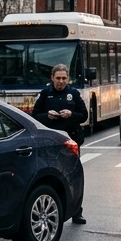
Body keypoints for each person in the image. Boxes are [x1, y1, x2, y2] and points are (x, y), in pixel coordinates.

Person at [31, 64, 89, 224]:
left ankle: (77, 211)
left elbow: (84, 115)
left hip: (70, 142)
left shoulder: (74, 94)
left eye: (64, 78)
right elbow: (34, 116)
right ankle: (52, 210)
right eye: (58, 78)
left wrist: (71, 114)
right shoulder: (45, 94)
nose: (61, 81)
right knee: (49, 176)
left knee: (73, 177)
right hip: (50, 143)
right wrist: (47, 116)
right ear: (52, 78)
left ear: (68, 78)